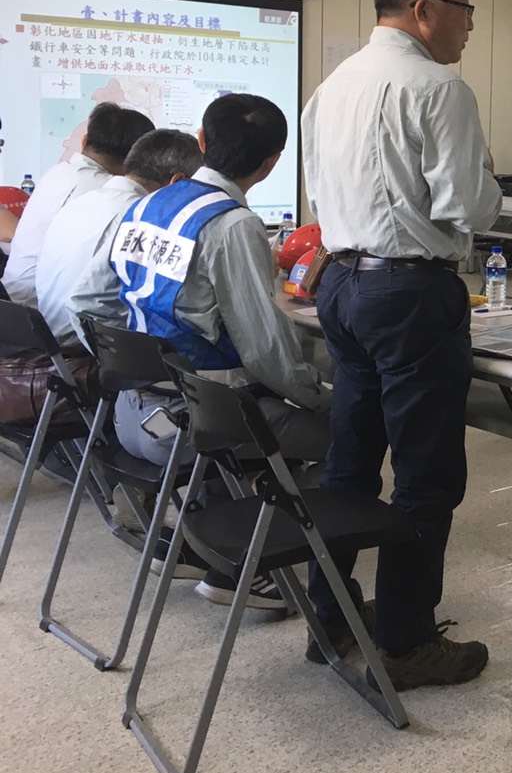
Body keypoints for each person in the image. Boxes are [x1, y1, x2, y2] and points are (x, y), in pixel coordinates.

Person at [301, 0, 503, 690]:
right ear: (424, 10)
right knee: (426, 476)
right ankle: (406, 640)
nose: (470, 25)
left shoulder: (333, 86)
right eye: (465, 8)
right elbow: (468, 207)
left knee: (349, 463)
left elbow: (319, 193)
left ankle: (330, 617)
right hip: (410, 294)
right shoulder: (439, 88)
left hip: (341, 284)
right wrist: (487, 181)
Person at [71, 93, 331, 608]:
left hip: (131, 414)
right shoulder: (233, 225)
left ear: (201, 141)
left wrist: (135, 363)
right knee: (352, 434)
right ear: (272, 161)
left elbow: (88, 301)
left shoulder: (144, 203)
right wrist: (324, 398)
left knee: (246, 401)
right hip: (199, 424)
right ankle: (242, 563)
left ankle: (199, 537)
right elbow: (267, 353)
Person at [35, 129, 202, 346]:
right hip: (85, 347)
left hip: (49, 333)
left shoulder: (84, 200)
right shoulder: (143, 217)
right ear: (177, 182)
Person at [6, 101, 154, 303]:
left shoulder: (57, 172)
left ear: (84, 141)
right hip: (40, 308)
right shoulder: (113, 193)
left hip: (12, 300)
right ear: (137, 158)